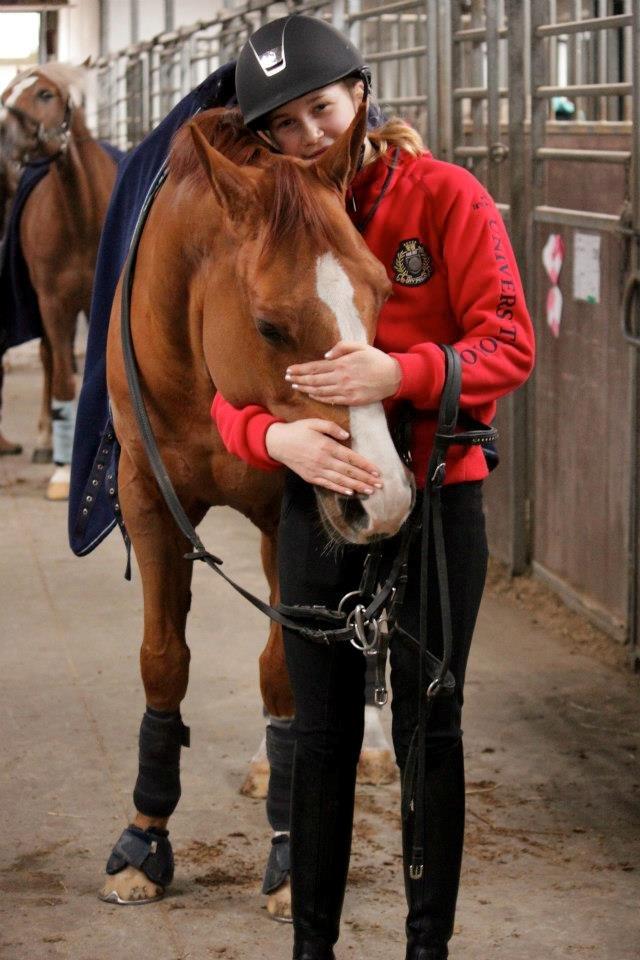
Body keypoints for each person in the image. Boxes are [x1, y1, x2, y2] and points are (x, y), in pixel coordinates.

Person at [212, 15, 535, 960]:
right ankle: (314, 946)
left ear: (358, 92)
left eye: (323, 107)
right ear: (266, 138)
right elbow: (217, 390)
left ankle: (425, 947)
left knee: (431, 730)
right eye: (287, 124)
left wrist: (403, 376)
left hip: (438, 495)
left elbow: (509, 342)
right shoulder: (263, 229)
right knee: (322, 737)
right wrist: (277, 439)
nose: (311, 134)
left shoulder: (446, 196)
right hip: (323, 498)